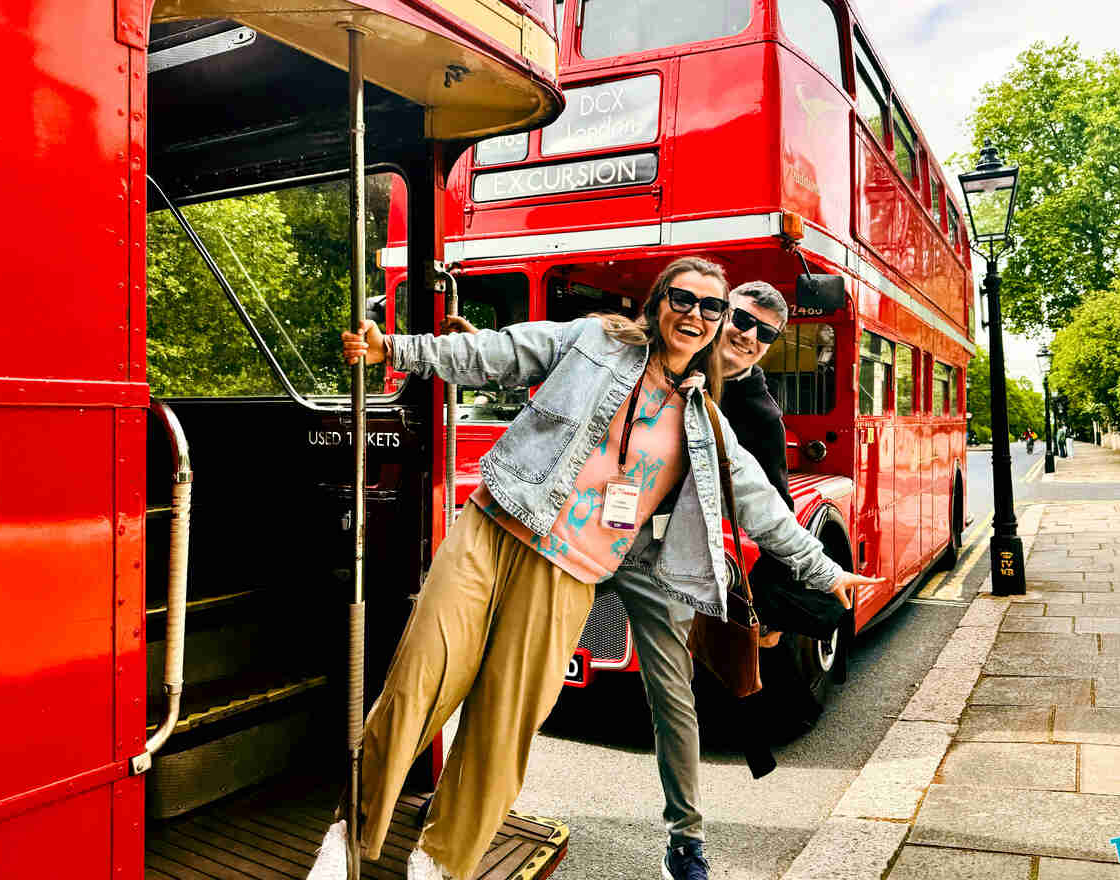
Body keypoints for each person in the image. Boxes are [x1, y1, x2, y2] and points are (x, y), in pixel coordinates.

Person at [339, 257, 883, 880]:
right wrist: (397, 347)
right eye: (685, 299)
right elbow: (505, 350)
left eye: (711, 307)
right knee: (417, 682)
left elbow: (763, 504)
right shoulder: (594, 339)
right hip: (495, 525)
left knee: (506, 724)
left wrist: (824, 571)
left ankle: (444, 861)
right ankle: (350, 837)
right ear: (657, 303)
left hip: (579, 567)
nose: (698, 316)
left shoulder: (710, 422)